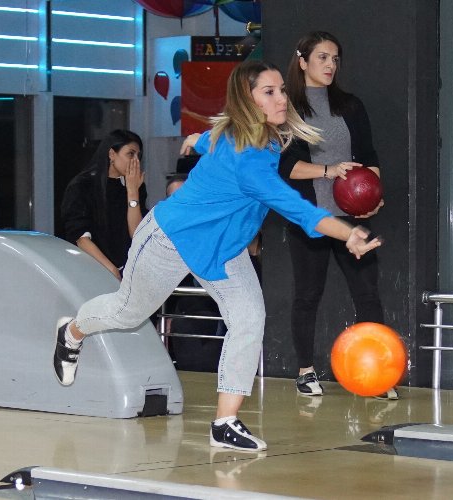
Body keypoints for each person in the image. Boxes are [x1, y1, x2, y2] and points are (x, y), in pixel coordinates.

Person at [52, 60, 381, 452]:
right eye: (269, 92)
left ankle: (225, 422)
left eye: (281, 90)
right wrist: (348, 232)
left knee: (249, 317)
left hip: (224, 249)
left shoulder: (256, 137)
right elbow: (298, 210)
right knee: (128, 313)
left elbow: (214, 138)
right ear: (249, 101)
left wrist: (196, 139)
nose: (281, 98)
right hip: (171, 239)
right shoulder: (250, 163)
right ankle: (71, 331)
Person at [280, 31, 396, 400]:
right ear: (303, 61)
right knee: (308, 295)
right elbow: (285, 167)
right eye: (322, 58)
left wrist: (372, 199)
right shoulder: (288, 109)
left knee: (368, 294)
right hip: (310, 219)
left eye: (335, 59)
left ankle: (377, 374)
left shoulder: (350, 105)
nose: (330, 65)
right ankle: (305, 371)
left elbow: (369, 157)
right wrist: (328, 170)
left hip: (352, 219)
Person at [60, 129, 147, 281]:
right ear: (112, 154)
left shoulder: (135, 185)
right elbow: (80, 237)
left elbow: (137, 233)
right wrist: (111, 269)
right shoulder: (83, 185)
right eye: (130, 154)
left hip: (129, 271)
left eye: (138, 156)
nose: (136, 161)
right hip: (90, 271)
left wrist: (133, 192)